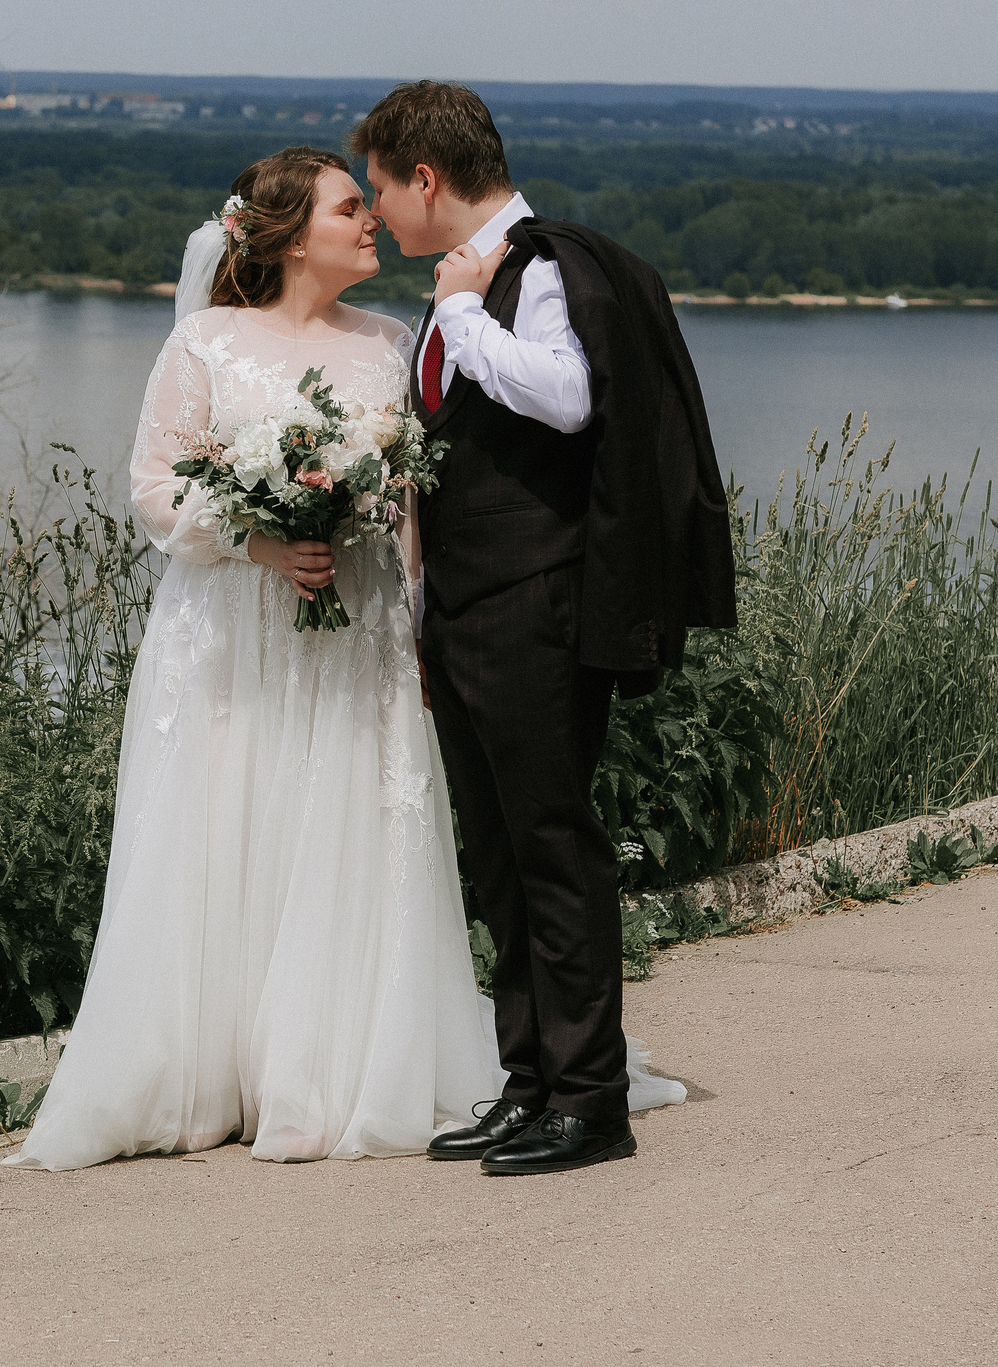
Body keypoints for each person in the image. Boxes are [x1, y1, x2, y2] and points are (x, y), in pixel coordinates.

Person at [8, 148, 687, 1173]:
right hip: (240, 631)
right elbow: (153, 488)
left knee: (346, 834)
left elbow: (418, 502)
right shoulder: (206, 342)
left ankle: (327, 1074)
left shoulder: (387, 341)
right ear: (285, 238)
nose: (368, 221)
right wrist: (263, 538)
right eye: (345, 209)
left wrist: (421, 618)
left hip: (358, 629)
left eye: (368, 202)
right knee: (227, 826)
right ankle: (207, 1075)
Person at [355, 80, 733, 1175]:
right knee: (500, 858)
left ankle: (590, 1103)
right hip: (465, 611)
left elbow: (566, 399)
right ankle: (526, 1085)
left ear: (427, 178)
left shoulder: (542, 269)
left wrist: (467, 311)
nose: (378, 210)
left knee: (555, 848)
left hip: (539, 607)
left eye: (381, 188)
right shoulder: (466, 280)